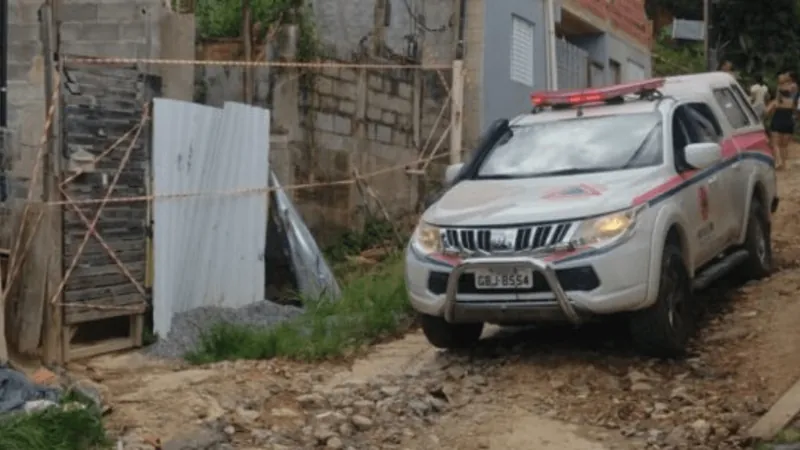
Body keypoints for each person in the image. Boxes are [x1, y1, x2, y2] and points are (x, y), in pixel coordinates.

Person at [766, 71, 798, 169]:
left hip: (782, 115)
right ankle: (781, 162)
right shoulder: (787, 91)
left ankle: (780, 162)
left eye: (787, 75)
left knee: (779, 143)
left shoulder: (791, 87)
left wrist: (780, 83)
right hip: (786, 115)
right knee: (780, 144)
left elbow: (784, 93)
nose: (785, 76)